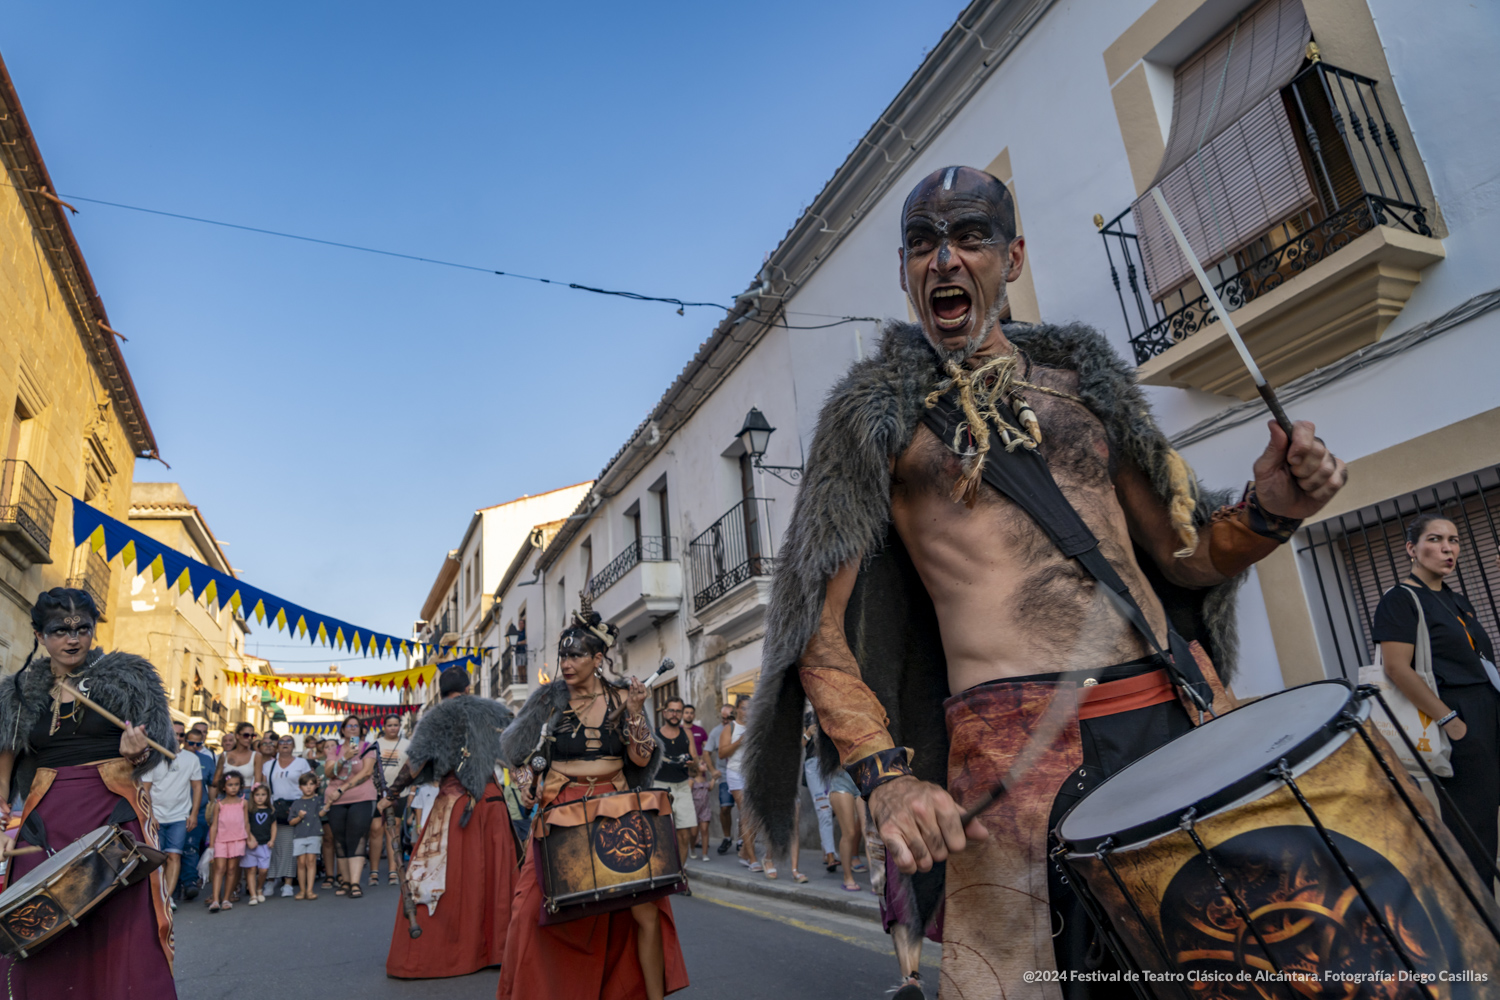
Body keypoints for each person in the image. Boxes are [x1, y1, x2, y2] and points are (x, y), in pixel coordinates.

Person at [741, 165, 1347, 998]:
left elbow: (1182, 556)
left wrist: (1270, 510)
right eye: (923, 242)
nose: (945, 259)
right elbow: (819, 626)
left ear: (1013, 257)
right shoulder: (874, 418)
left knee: (1247, 965)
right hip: (1016, 755)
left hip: (1177, 710)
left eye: (970, 237)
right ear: (906, 270)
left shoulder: (1084, 388)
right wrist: (889, 781)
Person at [499, 608, 689, 1000]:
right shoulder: (548, 701)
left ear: (597, 659)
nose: (566, 664)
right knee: (528, 907)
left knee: (644, 909)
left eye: (576, 656)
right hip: (559, 810)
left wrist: (636, 715)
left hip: (616, 807)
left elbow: (642, 759)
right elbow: (514, 754)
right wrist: (524, 784)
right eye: (563, 656)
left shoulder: (623, 697)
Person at [0, 588, 177, 996]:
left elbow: (154, 747)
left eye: (82, 628)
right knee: (41, 925)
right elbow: (5, 767)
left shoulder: (129, 678)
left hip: (114, 812)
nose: (73, 638)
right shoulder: (18, 693)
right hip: (45, 819)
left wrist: (134, 754)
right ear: (39, 635)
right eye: (60, 630)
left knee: (121, 925)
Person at [1374, 513, 1499, 882]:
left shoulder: (1456, 600)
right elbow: (1397, 669)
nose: (1448, 548)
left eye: (1454, 540)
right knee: (1475, 833)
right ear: (1412, 549)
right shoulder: (1401, 600)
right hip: (1458, 718)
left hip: (1489, 709)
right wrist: (1451, 722)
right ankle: (1480, 926)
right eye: (1435, 539)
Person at [379, 668, 517, 978]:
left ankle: (447, 952)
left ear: (441, 693)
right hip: (492, 800)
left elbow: (416, 762)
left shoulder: (435, 717)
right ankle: (498, 949)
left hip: (455, 803)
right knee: (496, 873)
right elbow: (516, 752)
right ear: (469, 688)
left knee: (449, 875)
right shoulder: (494, 711)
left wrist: (392, 792)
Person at [143, 719, 203, 910]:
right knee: (157, 858)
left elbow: (197, 786)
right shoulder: (153, 756)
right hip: (157, 816)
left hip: (179, 816)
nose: (177, 738)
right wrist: (150, 814)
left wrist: (193, 814)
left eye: (181, 735)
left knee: (174, 856)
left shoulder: (191, 759)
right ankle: (157, 896)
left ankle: (168, 899)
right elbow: (145, 789)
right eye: (174, 734)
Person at [325, 714, 377, 896]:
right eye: (349, 726)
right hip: (336, 800)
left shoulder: (367, 747)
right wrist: (343, 758)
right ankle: (345, 882)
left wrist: (343, 789)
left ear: (361, 730)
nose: (353, 728)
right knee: (340, 839)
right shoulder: (336, 749)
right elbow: (329, 773)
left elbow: (367, 772)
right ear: (343, 730)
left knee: (357, 837)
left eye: (356, 726)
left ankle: (355, 883)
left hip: (361, 796)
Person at [263, 734, 313, 897]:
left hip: (295, 808)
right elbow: (264, 788)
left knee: (291, 847)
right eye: (282, 742)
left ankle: (288, 883)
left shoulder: (301, 763)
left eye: (288, 741)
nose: (285, 744)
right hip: (274, 808)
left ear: (293, 746)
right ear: (277, 746)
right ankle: (271, 880)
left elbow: (310, 785)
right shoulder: (268, 765)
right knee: (272, 846)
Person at [721, 697, 764, 873]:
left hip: (753, 774)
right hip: (736, 773)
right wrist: (739, 741)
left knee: (756, 815)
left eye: (750, 708)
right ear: (737, 710)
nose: (748, 712)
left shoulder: (756, 727)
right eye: (744, 708)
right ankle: (753, 859)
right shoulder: (729, 728)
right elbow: (722, 753)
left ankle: (745, 852)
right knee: (747, 813)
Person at [367, 713, 410, 887]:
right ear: (383, 727)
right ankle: (374, 871)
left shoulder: (407, 744)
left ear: (400, 726)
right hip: (377, 792)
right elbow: (368, 769)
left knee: (394, 829)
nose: (393, 728)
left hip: (399, 792)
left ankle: (393, 870)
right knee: (376, 829)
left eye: (396, 725)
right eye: (389, 725)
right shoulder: (375, 744)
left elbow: (411, 769)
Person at [654, 697, 698, 865]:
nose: (674, 714)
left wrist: (692, 763)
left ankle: (680, 875)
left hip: (682, 787)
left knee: (685, 835)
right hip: (659, 787)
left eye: (678, 711)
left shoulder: (687, 734)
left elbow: (695, 763)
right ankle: (664, 872)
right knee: (660, 834)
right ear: (664, 712)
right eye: (671, 710)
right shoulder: (655, 734)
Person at [180, 723, 218, 900]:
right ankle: (173, 886)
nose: (194, 747)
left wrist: (212, 807)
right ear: (184, 742)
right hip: (176, 809)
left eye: (198, 744)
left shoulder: (207, 761)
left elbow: (211, 786)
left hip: (199, 812)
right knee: (172, 849)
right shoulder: (173, 757)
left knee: (191, 847)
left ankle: (189, 882)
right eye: (191, 743)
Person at [208, 770, 250, 912]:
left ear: (241, 786)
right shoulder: (219, 804)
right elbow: (214, 826)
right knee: (219, 868)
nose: (233, 787)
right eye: (230, 784)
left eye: (236, 784)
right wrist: (211, 845)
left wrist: (249, 838)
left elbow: (246, 822)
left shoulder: (243, 803)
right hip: (221, 840)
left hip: (238, 839)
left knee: (232, 869)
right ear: (224, 787)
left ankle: (226, 898)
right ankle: (215, 899)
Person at [287, 771, 325, 900]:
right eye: (305, 784)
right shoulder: (296, 803)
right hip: (299, 836)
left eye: (311, 784)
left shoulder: (318, 800)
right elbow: (291, 821)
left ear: (316, 786)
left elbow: (321, 814)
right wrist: (299, 817)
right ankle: (302, 890)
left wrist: (328, 804)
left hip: (314, 834)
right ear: (300, 787)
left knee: (311, 861)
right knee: (301, 862)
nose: (308, 787)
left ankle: (310, 890)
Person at [706, 703, 735, 855]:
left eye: (728, 718)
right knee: (724, 808)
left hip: (741, 773)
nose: (724, 721)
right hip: (724, 775)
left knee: (745, 810)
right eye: (722, 718)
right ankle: (727, 837)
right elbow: (706, 752)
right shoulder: (716, 732)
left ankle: (744, 841)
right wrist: (712, 770)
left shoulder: (741, 729)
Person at [242, 783, 277, 904]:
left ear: (268, 796)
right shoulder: (250, 810)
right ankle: (253, 895)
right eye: (257, 795)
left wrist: (272, 840)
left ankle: (259, 888)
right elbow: (246, 825)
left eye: (263, 795)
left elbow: (273, 827)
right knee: (251, 869)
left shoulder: (270, 811)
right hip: (251, 845)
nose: (260, 797)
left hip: (265, 845)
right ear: (253, 796)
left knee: (263, 870)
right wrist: (250, 838)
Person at [216, 721, 263, 789]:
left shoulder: (256, 756)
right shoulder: (225, 755)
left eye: (252, 736)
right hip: (226, 794)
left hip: (246, 794)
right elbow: (215, 781)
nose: (249, 738)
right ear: (237, 736)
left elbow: (257, 783)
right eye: (246, 735)